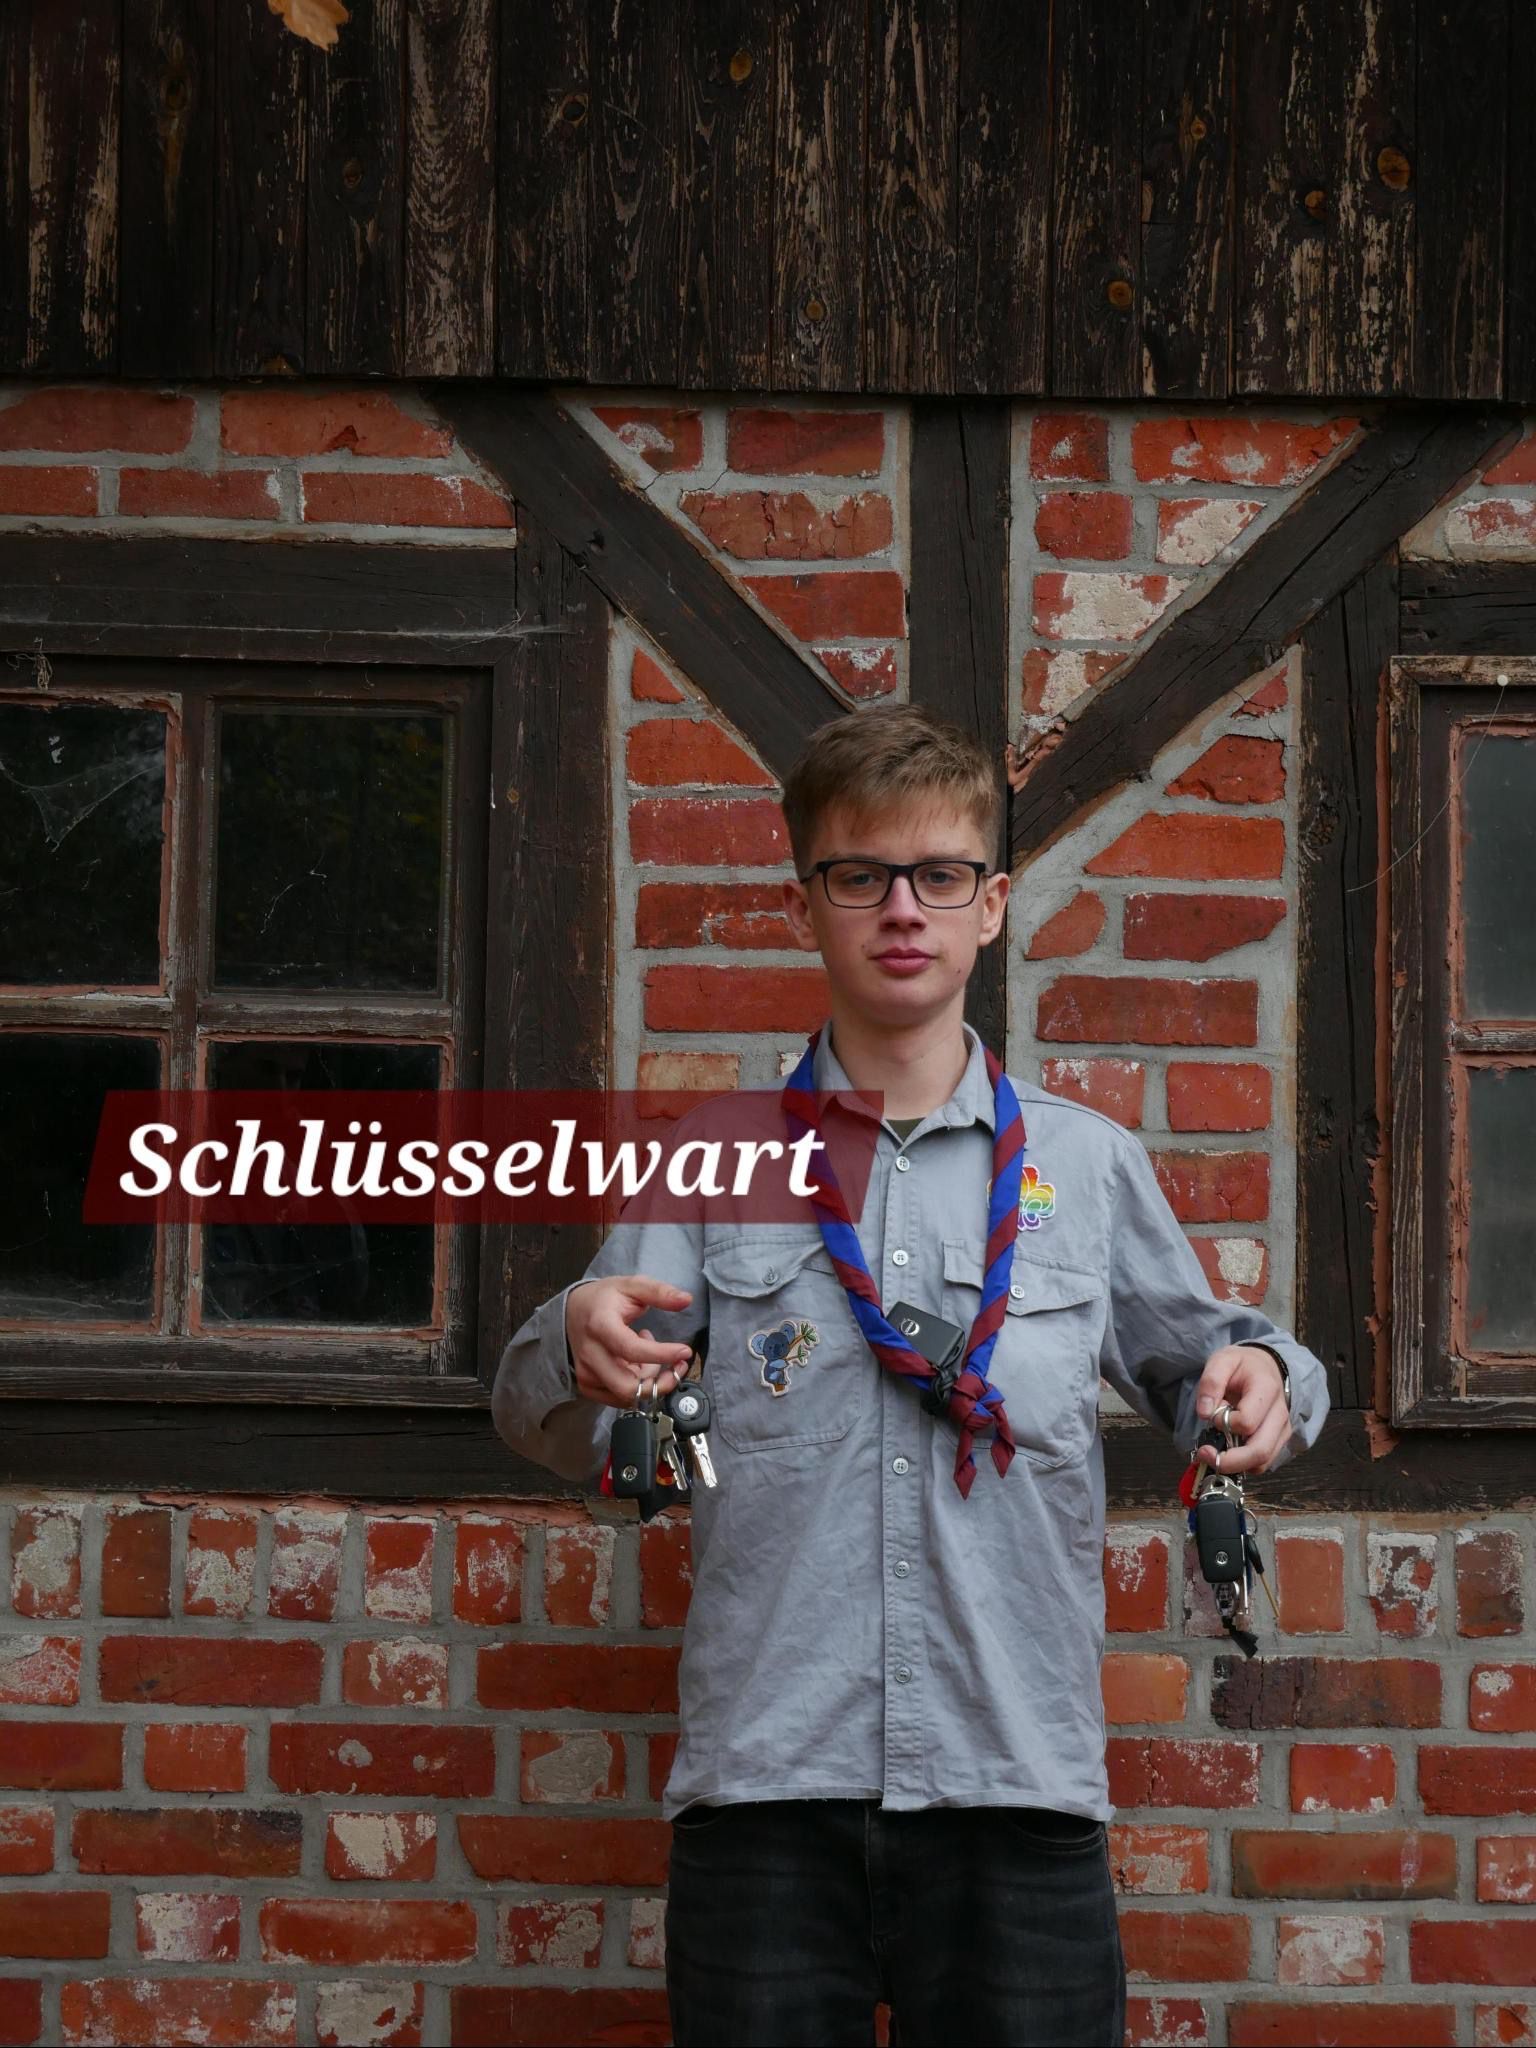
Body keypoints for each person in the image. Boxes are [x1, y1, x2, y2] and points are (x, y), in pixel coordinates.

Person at [493, 702, 1329, 2048]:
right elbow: (545, 1420)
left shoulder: (1088, 1167)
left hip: (1018, 1789)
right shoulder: (714, 1161)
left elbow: (1215, 1371)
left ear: (989, 906)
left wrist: (1265, 1377)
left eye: (939, 875)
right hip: (769, 1794)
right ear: (803, 904)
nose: (901, 909)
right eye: (860, 875)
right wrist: (574, 1337)